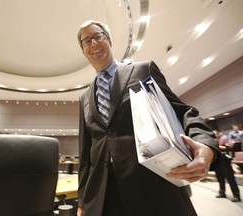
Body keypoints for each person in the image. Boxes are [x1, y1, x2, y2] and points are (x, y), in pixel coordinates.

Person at [76, 20, 220, 216]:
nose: (93, 44)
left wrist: (206, 145)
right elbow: (86, 157)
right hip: (103, 198)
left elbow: (182, 111)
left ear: (109, 40)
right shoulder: (84, 98)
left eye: (98, 36)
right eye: (86, 41)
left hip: (152, 187)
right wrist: (83, 200)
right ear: (83, 51)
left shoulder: (142, 70)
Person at [214, 131, 241, 202]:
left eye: (215, 133)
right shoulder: (210, 141)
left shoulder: (224, 139)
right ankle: (222, 192)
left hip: (225, 161)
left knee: (230, 179)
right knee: (220, 178)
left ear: (217, 134)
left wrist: (219, 147)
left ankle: (236, 195)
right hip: (217, 161)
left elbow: (229, 147)